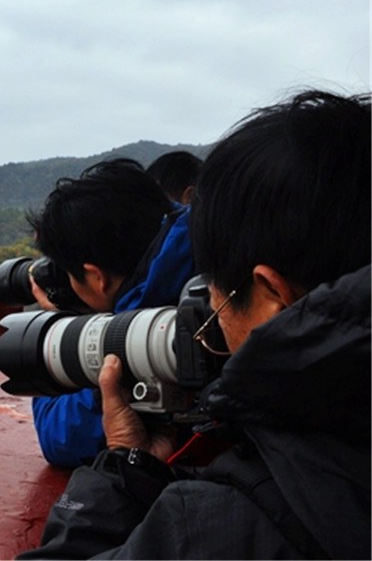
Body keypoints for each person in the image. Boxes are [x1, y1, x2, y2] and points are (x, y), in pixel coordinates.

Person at [19, 90, 370, 559]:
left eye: (214, 296)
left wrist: (123, 468)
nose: (205, 323)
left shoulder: (222, 528)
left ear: (270, 299)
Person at [27, 159, 196, 467]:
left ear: (98, 278)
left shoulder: (139, 335)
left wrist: (62, 326)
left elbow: (58, 434)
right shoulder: (201, 247)